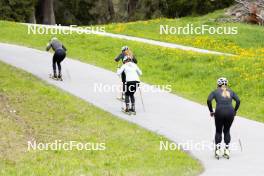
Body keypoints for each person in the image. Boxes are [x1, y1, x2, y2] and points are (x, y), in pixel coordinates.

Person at [207, 77, 240, 159]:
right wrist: (235, 111)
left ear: (218, 84)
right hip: (230, 112)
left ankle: (218, 150)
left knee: (218, 131)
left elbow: (208, 100)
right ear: (227, 84)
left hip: (219, 112)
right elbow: (238, 101)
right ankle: (227, 150)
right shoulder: (231, 91)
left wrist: (211, 111)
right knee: (227, 130)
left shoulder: (215, 92)